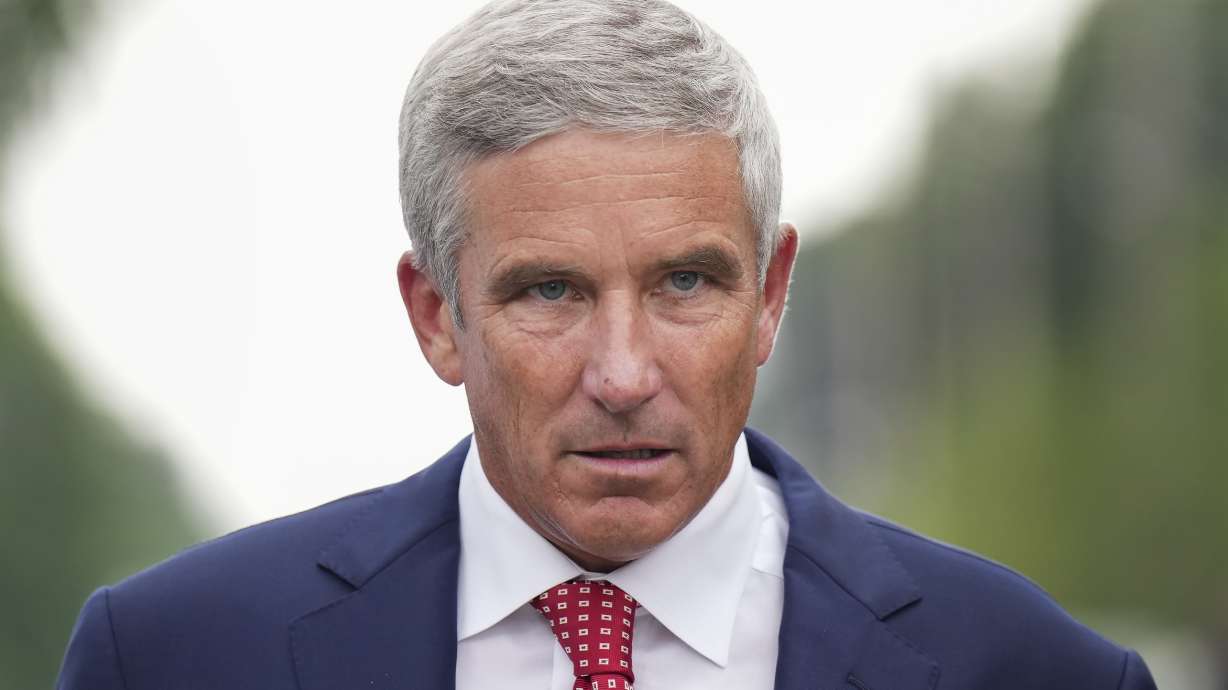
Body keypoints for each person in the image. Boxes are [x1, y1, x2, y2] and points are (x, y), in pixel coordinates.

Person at [58, 1, 1157, 688]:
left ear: (769, 295)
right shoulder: (169, 658)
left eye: (686, 282)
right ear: (437, 314)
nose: (625, 375)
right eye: (549, 291)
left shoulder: (1029, 670)